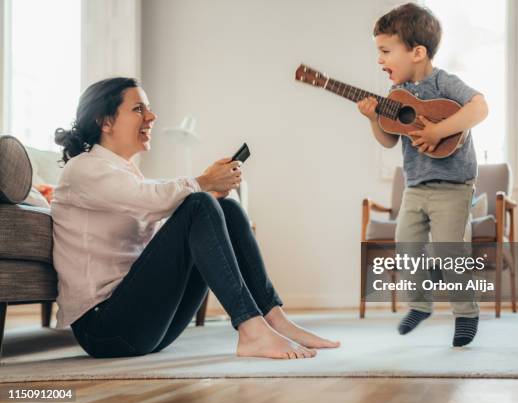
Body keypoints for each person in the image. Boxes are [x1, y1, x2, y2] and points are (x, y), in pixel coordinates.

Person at [51, 77, 340, 359]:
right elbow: (149, 199)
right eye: (139, 109)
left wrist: (210, 193)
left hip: (144, 325)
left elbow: (159, 220)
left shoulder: (126, 174)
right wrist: (203, 182)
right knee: (199, 202)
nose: (151, 116)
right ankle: (251, 329)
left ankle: (274, 318)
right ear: (105, 121)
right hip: (105, 329)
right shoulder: (83, 169)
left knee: (222, 208)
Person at [357, 3, 489, 347]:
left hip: (454, 187)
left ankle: (466, 313)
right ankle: (419, 304)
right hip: (415, 186)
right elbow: (388, 140)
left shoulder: (444, 82)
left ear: (417, 52)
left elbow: (479, 107)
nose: (380, 59)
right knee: (407, 245)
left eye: (386, 51)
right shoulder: (395, 96)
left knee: (450, 251)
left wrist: (438, 130)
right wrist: (373, 118)